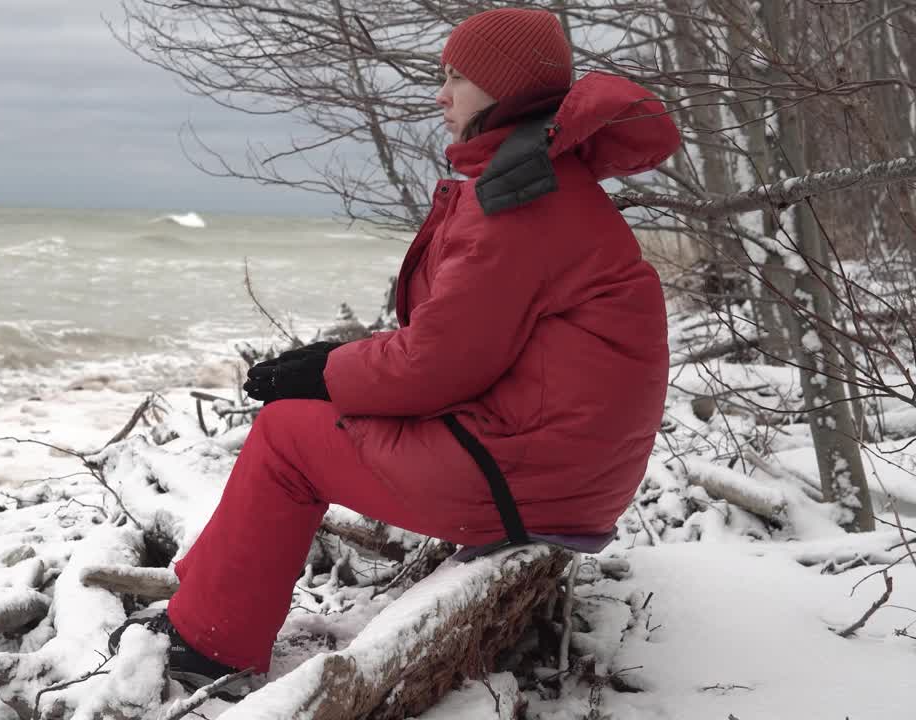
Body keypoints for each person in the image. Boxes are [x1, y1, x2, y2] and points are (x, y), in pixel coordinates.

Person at [109, 6, 681, 697]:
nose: (441, 96)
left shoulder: (521, 203)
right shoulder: (549, 185)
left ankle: (206, 644)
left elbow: (433, 367)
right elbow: (463, 345)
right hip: (562, 472)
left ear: (507, 90)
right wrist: (340, 362)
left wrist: (324, 371)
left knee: (288, 436)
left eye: (457, 78)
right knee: (309, 420)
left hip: (530, 478)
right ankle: (199, 596)